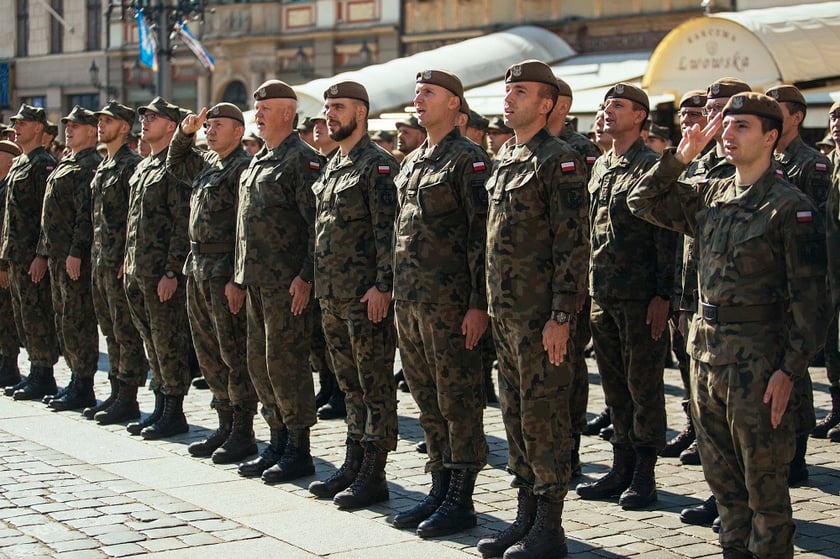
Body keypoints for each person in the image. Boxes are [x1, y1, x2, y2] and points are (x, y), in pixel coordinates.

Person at [628, 91, 829, 559]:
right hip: (706, 357)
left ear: (771, 137)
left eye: (742, 127)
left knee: (765, 490)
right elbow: (641, 201)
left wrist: (790, 371)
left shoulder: (788, 208)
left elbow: (812, 301)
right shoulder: (712, 195)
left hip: (758, 365)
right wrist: (682, 156)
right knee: (724, 489)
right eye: (726, 125)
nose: (728, 134)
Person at [476, 60, 588, 559]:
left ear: (546, 104)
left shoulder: (559, 159)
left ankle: (550, 527)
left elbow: (573, 245)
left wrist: (562, 317)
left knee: (545, 420)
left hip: (543, 319)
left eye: (520, 91)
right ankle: (524, 518)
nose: (509, 98)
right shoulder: (506, 156)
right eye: (507, 90)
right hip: (507, 315)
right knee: (517, 418)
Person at [391, 69, 490, 538]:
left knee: (458, 401)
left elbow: (480, 238)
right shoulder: (412, 161)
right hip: (410, 303)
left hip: (451, 306)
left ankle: (461, 496)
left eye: (429, 92)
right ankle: (440, 482)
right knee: (427, 400)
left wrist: (478, 304)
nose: (420, 98)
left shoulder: (468, 160)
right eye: (418, 92)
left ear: (455, 104)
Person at [575, 83, 677, 510]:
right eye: (604, 105)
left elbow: (668, 234)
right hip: (604, 295)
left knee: (644, 387)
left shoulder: (653, 166)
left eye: (617, 105)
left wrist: (663, 294)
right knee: (615, 387)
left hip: (641, 298)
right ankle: (621, 463)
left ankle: (645, 473)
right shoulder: (602, 166)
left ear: (640, 116)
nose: (606, 112)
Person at [307, 81, 399, 510]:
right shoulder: (333, 164)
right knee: (348, 386)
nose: (330, 115)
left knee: (373, 384)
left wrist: (383, 286)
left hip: (365, 298)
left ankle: (373, 473)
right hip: (332, 295)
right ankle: (353, 461)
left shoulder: (376, 165)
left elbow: (388, 232)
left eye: (338, 107)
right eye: (328, 108)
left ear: (360, 113)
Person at [234, 80, 325, 484]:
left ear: (287, 113)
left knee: (287, 365)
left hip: (287, 286)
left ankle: (298, 448)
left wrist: (306, 276)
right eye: (257, 108)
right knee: (261, 364)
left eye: (265, 109)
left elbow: (315, 227)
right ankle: (277, 438)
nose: (258, 115)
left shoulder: (301, 161)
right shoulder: (259, 160)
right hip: (255, 282)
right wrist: (239, 276)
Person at [167, 102, 259, 464]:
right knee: (207, 351)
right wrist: (185, 133)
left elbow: (247, 229)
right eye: (209, 125)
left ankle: (242, 428)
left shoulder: (242, 168)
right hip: (199, 266)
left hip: (224, 269)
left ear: (239, 132)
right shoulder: (208, 165)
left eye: (218, 125)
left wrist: (239, 277)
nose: (211, 130)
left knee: (232, 351)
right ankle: (224, 421)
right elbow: (176, 163)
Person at [765, 85, 834, 479]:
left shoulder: (812, 164)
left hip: (796, 281)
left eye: (778, 110)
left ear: (796, 117)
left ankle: (798, 449)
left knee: (796, 366)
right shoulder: (765, 158)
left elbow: (818, 228)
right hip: (766, 283)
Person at [123, 96, 193, 440]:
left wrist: (171, 271)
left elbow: (182, 222)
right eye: (144, 116)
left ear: (171, 125)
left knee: (168, 341)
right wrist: (127, 259)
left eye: (154, 117)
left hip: (161, 273)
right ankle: (160, 404)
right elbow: (134, 221)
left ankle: (174, 410)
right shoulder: (144, 165)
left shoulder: (174, 166)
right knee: (151, 341)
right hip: (138, 270)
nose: (146, 121)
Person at [546, 75, 602, 476]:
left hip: (569, 283)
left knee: (569, 366)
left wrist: (576, 286)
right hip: (531, 287)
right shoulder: (522, 150)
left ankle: (570, 445)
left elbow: (581, 225)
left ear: (559, 106)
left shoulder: (580, 151)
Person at [86, 101, 149, 424]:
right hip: (101, 260)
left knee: (126, 331)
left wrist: (128, 256)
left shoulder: (130, 165)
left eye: (108, 120)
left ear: (124, 127)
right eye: (100, 120)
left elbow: (135, 218)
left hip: (121, 262)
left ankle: (129, 397)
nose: (101, 125)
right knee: (110, 330)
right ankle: (115, 392)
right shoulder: (106, 164)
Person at [36, 106, 102, 412]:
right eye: (68, 126)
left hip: (74, 257)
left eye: (76, 126)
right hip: (57, 255)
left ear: (91, 131)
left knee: (78, 318)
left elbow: (84, 215)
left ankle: (83, 383)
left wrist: (76, 251)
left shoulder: (90, 164)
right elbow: (47, 216)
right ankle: (74, 379)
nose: (69, 130)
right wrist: (44, 252)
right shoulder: (67, 162)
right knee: (64, 317)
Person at [660, 89, 709, 461]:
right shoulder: (687, 164)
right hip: (682, 286)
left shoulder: (720, 168)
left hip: (710, 293)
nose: (690, 122)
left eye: (698, 114)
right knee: (684, 363)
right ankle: (694, 427)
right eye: (685, 115)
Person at [0, 105, 60, 401]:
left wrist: (41, 254)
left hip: (31, 255)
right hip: (15, 253)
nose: (17, 127)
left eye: (22, 123)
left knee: (37, 314)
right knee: (24, 315)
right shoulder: (22, 162)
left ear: (38, 127)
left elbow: (46, 215)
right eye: (15, 123)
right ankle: (35, 371)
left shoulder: (42, 163)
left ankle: (44, 375)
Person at [0, 140, 23, 388]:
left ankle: (9, 364)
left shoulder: (10, 185)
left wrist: (3, 264)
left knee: (7, 317)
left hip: (7, 260)